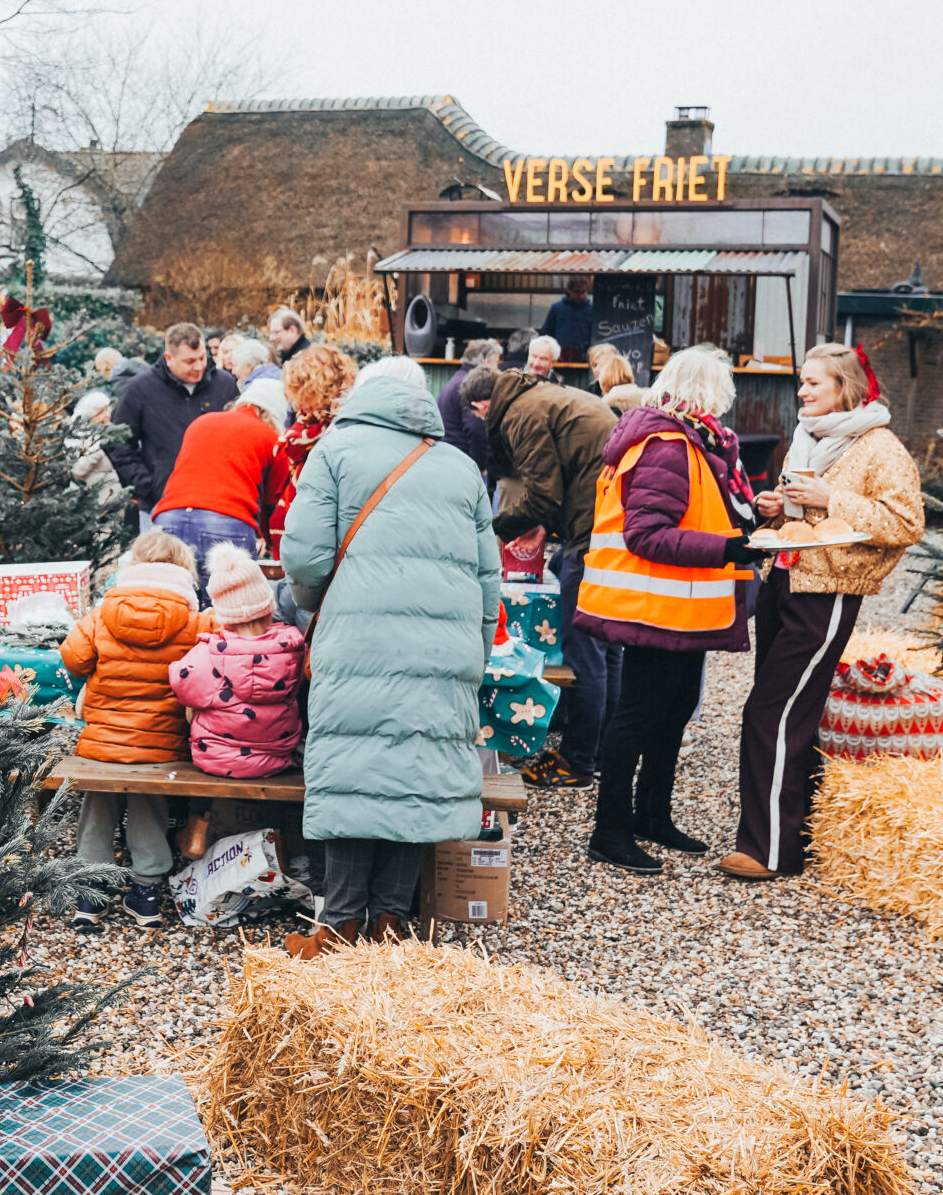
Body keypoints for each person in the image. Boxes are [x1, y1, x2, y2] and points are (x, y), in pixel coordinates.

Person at [279, 357, 502, 954]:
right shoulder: (459, 467)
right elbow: (488, 579)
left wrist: (318, 603)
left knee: (356, 770)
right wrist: (471, 655)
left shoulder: (335, 449)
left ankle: (341, 923)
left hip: (356, 639)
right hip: (444, 647)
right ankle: (391, 926)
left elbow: (301, 560)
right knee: (417, 774)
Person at [725, 344, 924, 881]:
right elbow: (805, 509)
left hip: (829, 591)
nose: (802, 392)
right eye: (802, 382)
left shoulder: (880, 446)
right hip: (784, 579)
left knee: (773, 712)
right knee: (790, 711)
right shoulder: (807, 439)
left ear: (847, 388)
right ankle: (791, 836)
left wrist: (829, 496)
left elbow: (905, 522)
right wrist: (779, 505)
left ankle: (768, 852)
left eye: (815, 383)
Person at [573, 345, 761, 873]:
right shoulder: (670, 447)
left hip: (678, 605)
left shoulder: (687, 442)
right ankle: (610, 829)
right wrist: (728, 549)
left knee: (672, 709)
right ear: (710, 393)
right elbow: (646, 535)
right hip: (655, 605)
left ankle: (651, 814)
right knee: (637, 715)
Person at [467, 362, 618, 789]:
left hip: (592, 531)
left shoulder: (519, 414)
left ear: (482, 406)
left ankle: (578, 761)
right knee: (607, 648)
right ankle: (602, 750)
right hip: (603, 522)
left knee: (583, 643)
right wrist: (542, 525)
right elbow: (559, 484)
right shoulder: (541, 396)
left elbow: (543, 492)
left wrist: (494, 528)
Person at [60, 532, 210, 932]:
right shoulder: (195, 622)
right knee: (150, 807)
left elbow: (73, 660)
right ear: (184, 571)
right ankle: (146, 894)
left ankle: (90, 892)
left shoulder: (103, 613)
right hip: (161, 747)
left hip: (102, 746)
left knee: (98, 806)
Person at [172, 542, 306, 780]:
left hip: (217, 758)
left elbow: (180, 685)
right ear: (268, 609)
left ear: (223, 616)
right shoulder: (292, 649)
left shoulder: (208, 655)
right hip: (276, 758)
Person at [152, 378, 289, 598]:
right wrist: (270, 542)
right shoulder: (271, 438)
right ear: (270, 415)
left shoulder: (202, 422)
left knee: (171, 604)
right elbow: (274, 502)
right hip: (225, 522)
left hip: (168, 518)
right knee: (231, 608)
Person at [107, 323, 238, 525]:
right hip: (161, 505)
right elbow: (118, 442)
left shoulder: (225, 384)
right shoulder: (140, 389)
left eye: (202, 358)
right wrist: (146, 486)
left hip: (220, 503)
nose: (198, 366)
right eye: (190, 361)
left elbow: (239, 437)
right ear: (169, 359)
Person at [270, 342, 357, 552]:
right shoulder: (307, 427)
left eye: (300, 391)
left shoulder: (341, 427)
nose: (297, 404)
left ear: (316, 388)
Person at [436, 338, 503, 472]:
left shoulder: (455, 380)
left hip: (451, 456)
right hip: (464, 461)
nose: (497, 368)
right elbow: (476, 430)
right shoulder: (472, 386)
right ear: (487, 362)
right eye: (496, 363)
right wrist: (480, 467)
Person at [539, 275, 596, 360]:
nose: (580, 295)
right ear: (569, 291)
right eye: (577, 292)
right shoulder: (557, 308)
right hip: (560, 355)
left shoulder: (591, 310)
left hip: (584, 356)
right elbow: (547, 332)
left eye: (583, 292)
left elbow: (595, 334)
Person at [587, 342, 643, 413]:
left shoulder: (610, 400)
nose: (597, 369)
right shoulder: (590, 391)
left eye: (604, 364)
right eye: (594, 365)